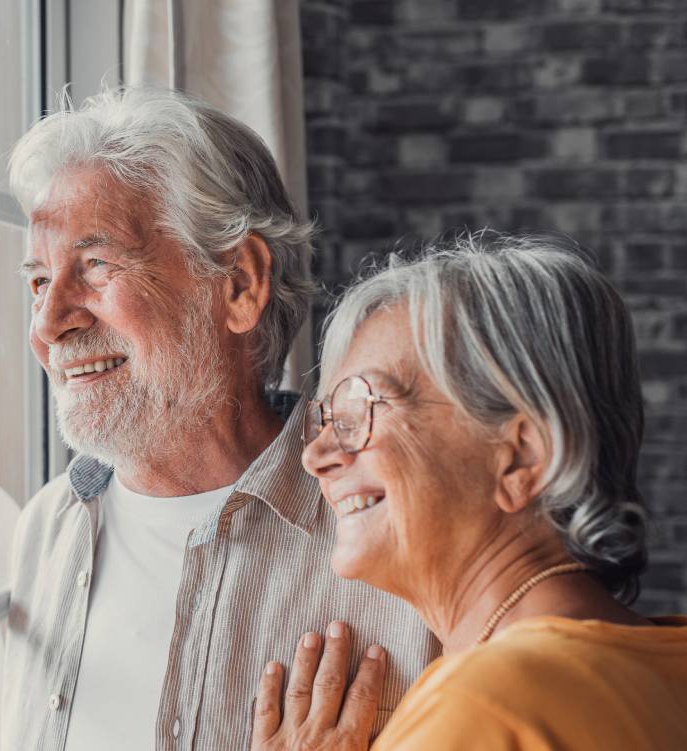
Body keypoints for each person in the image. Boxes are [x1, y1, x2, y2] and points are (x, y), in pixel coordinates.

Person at [0, 86, 437, 751]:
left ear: (239, 285)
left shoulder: (401, 534)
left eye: (95, 264)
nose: (48, 324)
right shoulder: (44, 531)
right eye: (38, 280)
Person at [251, 234, 687, 750]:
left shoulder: (484, 710)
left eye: (359, 412)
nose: (316, 456)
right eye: (326, 421)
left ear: (521, 457)